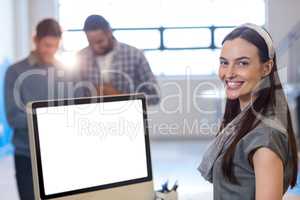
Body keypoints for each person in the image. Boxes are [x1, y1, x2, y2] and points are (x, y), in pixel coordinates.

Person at [198, 23, 298, 200]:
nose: (229, 73)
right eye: (224, 63)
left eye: (242, 63)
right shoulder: (242, 122)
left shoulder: (265, 137)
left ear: (266, 68)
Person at [5, 19, 83, 200]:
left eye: (55, 46)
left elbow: (74, 112)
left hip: (60, 153)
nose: (50, 50)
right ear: (35, 40)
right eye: (46, 45)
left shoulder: (67, 71)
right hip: (27, 155)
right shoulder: (14, 71)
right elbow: (13, 117)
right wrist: (54, 119)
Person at [77, 14, 160, 105]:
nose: (95, 47)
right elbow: (73, 94)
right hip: (92, 117)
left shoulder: (134, 55)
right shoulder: (80, 57)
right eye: (91, 43)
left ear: (109, 33)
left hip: (129, 116)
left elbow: (154, 95)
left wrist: (121, 97)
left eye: (100, 41)